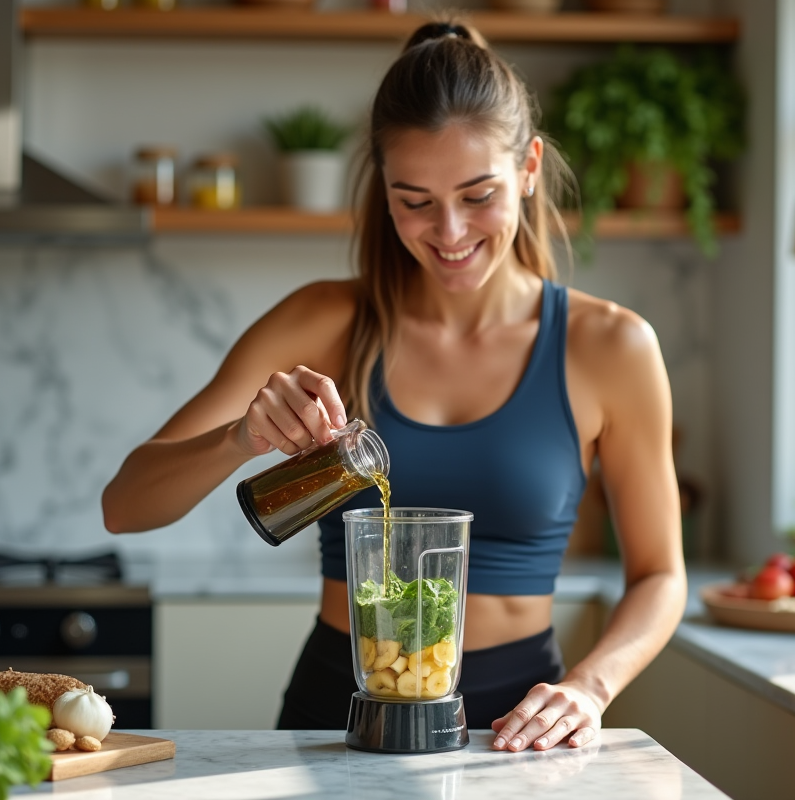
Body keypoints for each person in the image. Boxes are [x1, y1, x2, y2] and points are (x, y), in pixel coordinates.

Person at [102, 20, 686, 752]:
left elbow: (661, 575)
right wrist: (239, 438)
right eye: (415, 200)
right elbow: (124, 506)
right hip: (337, 712)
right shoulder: (321, 322)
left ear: (529, 167)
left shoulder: (611, 348)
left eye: (479, 195)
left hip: (520, 723)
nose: (448, 232)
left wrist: (590, 688)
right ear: (384, 189)